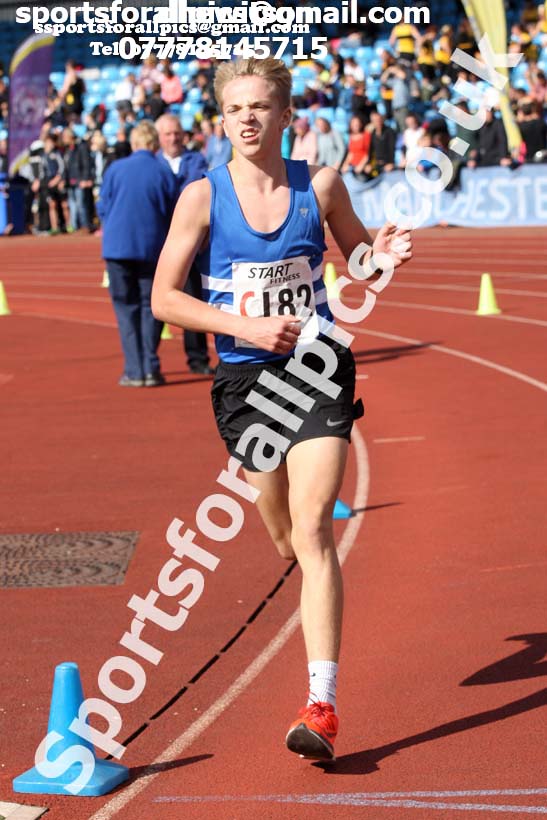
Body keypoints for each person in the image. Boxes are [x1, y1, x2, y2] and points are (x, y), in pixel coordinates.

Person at [151, 57, 412, 761]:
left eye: (261, 106)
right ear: (220, 117)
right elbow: (164, 300)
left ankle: (320, 704)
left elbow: (362, 265)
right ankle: (308, 588)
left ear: (285, 114)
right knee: (282, 539)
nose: (247, 118)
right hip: (243, 383)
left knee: (314, 530)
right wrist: (244, 328)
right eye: (235, 107)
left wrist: (381, 256)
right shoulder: (202, 198)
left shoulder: (320, 186)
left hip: (316, 372)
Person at [98, 121, 178, 387]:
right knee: (150, 307)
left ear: (134, 143)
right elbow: (173, 211)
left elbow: (103, 207)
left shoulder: (115, 169)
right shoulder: (162, 170)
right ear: (154, 143)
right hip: (151, 249)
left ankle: (134, 368)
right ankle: (150, 367)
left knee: (125, 309)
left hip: (118, 249)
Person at [156, 113, 214, 375]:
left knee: (193, 298)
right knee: (156, 301)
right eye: (168, 134)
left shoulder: (196, 160)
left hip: (191, 243)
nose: (173, 138)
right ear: (159, 138)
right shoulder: (153, 163)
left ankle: (198, 358)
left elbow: (198, 192)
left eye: (177, 133)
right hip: (158, 242)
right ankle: (147, 359)